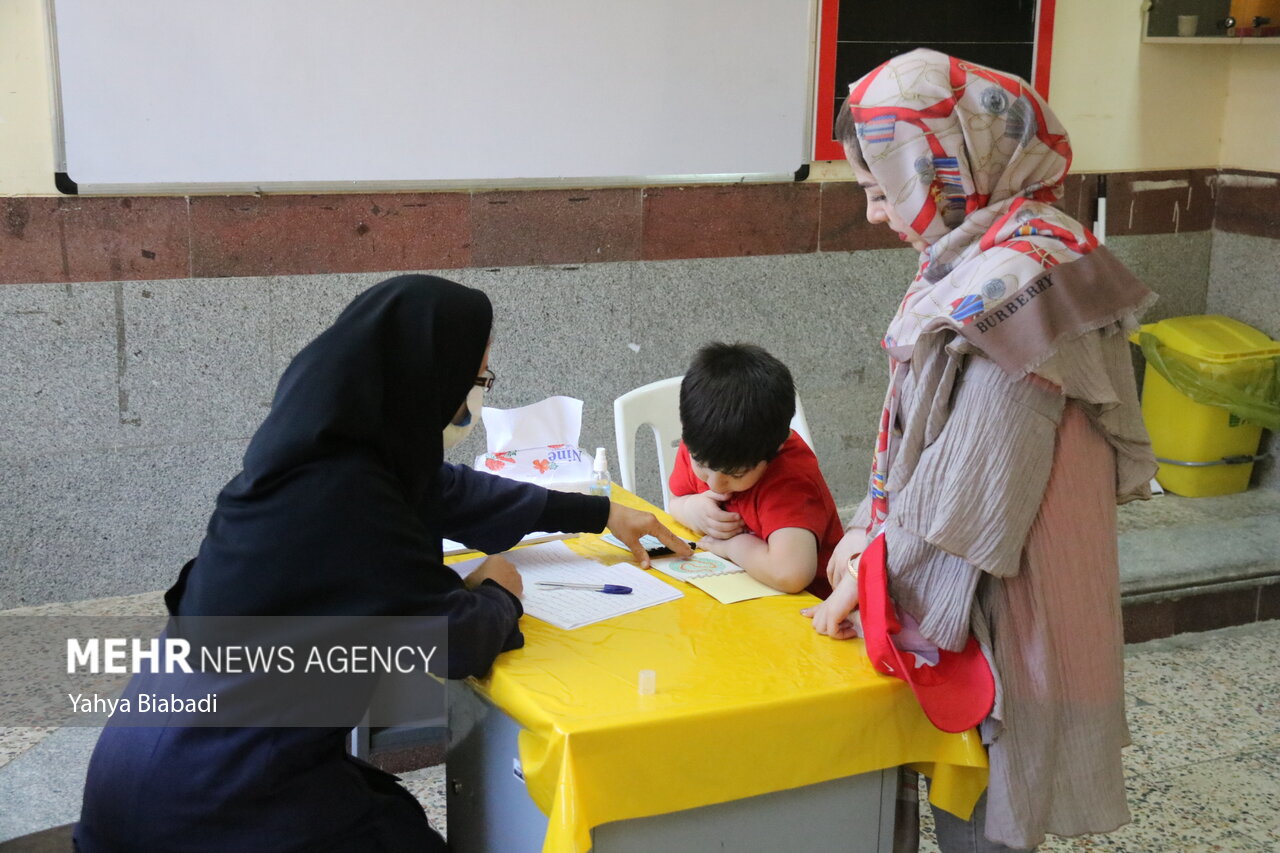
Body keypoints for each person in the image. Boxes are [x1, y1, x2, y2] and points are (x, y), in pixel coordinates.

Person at [75, 274, 690, 852]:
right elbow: (457, 643)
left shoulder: (325, 453)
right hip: (215, 798)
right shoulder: (346, 500)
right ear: (422, 380)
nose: (474, 399)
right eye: (475, 380)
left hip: (164, 758)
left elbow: (454, 492)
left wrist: (594, 511)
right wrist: (498, 592)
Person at [803, 50, 1157, 852]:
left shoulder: (1016, 275)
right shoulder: (1010, 244)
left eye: (880, 185)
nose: (875, 213)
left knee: (986, 815)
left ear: (948, 161)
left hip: (1003, 603)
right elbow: (921, 444)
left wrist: (865, 570)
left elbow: (972, 505)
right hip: (988, 587)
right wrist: (867, 531)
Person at [667, 342, 843, 597]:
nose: (715, 485)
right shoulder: (703, 443)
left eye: (736, 475)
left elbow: (791, 574)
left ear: (776, 448)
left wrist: (734, 547)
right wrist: (690, 509)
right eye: (702, 466)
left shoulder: (789, 478)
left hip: (802, 612)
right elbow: (675, 501)